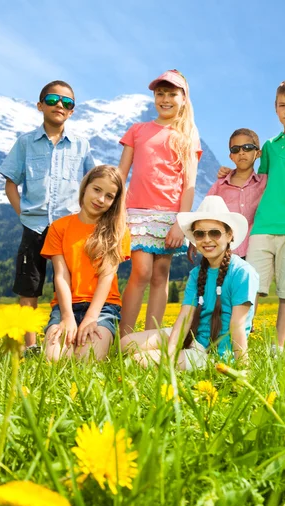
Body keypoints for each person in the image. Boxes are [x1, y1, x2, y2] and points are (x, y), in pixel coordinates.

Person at [217, 81, 285, 352]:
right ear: (275, 109)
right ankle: (238, 341)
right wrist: (228, 173)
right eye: (282, 105)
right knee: (249, 286)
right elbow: (256, 179)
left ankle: (277, 348)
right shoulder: (268, 146)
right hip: (263, 226)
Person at [0, 80, 95, 351]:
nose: (60, 106)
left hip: (69, 227)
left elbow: (92, 182)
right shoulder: (26, 143)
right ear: (40, 106)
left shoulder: (81, 145)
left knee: (72, 284)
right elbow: (10, 182)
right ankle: (30, 347)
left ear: (72, 111)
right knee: (29, 286)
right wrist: (23, 214)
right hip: (34, 225)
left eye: (67, 102)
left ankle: (73, 338)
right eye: (53, 100)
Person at [121, 196, 258, 371]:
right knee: (127, 343)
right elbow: (185, 318)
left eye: (214, 232)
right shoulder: (196, 274)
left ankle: (186, 359)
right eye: (200, 234)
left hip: (215, 352)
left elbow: (237, 325)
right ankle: (179, 354)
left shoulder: (242, 272)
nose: (207, 239)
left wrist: (242, 368)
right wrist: (171, 353)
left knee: (138, 360)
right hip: (194, 337)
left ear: (229, 234)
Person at [118, 69, 202, 337]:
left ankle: (147, 338)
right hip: (137, 212)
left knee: (160, 274)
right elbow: (121, 174)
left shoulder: (187, 136)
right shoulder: (138, 130)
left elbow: (189, 184)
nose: (165, 99)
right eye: (160, 94)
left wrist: (182, 222)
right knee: (141, 271)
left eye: (172, 94)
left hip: (169, 214)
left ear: (184, 98)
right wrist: (116, 211)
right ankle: (124, 337)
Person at [40, 165, 130, 361]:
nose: (100, 199)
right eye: (97, 190)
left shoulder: (118, 232)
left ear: (114, 201)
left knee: (87, 359)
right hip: (66, 306)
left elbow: (106, 277)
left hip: (103, 308)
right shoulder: (59, 227)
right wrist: (66, 317)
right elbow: (61, 276)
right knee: (54, 361)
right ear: (85, 188)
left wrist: (91, 318)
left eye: (109, 196)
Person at [188, 128, 267, 263]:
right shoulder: (220, 185)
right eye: (235, 149)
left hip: (255, 251)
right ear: (231, 156)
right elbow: (203, 212)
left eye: (247, 148)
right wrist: (192, 241)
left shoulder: (265, 182)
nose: (241, 152)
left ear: (258, 153)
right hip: (225, 252)